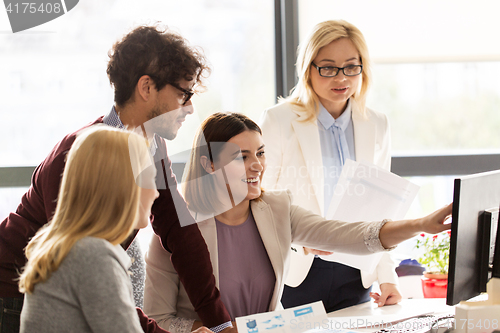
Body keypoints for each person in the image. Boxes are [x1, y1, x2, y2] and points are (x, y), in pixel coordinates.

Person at [0, 25, 233, 333]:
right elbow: (90, 275)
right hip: (13, 293)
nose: (190, 107)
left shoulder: (150, 145)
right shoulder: (82, 154)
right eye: (182, 94)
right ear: (146, 88)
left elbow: (181, 231)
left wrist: (221, 325)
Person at [143, 112, 452, 333]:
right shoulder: (175, 231)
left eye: (261, 154)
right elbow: (159, 318)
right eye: (241, 157)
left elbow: (349, 235)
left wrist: (421, 223)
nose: (257, 166)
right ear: (208, 164)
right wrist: (200, 330)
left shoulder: (277, 207)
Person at [260, 19, 402, 312]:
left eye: (351, 66)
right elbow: (260, 202)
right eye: (328, 67)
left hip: (357, 271)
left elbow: (382, 207)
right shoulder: (278, 121)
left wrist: (387, 276)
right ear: (308, 69)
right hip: (299, 271)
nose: (342, 78)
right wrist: (300, 243)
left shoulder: (377, 124)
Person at [18, 127, 157, 332]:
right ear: (121, 187)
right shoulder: (93, 256)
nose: (155, 193)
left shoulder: (72, 246)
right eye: (148, 179)